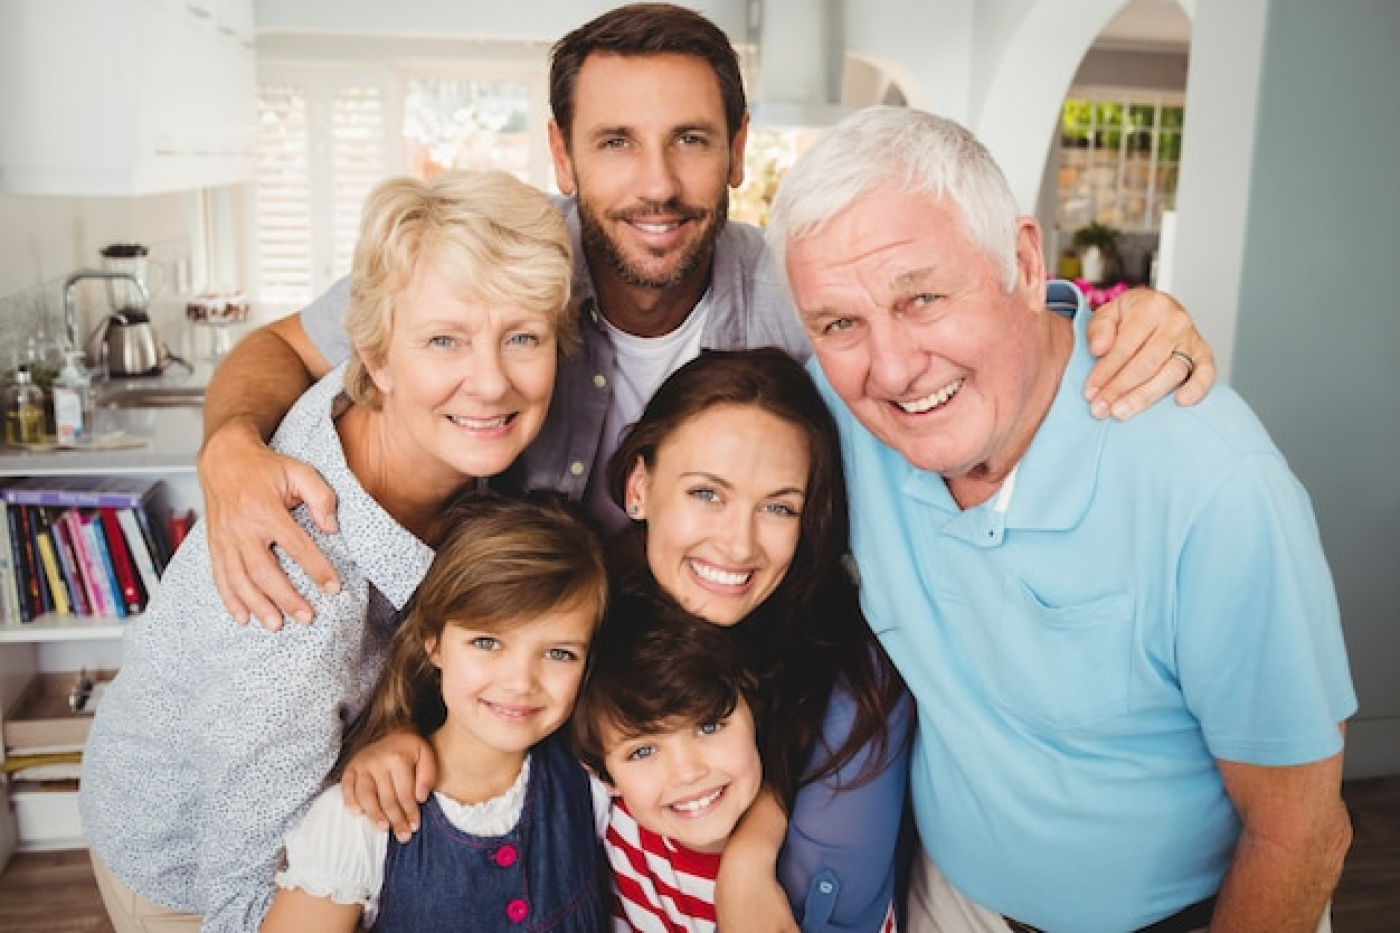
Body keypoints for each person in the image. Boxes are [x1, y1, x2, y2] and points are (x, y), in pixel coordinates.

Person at [194, 2, 1218, 633]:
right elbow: (282, 347)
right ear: (561, 155)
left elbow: (963, 307)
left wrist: (1115, 318)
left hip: (702, 659)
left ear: (736, 150)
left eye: (689, 139)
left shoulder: (784, 287)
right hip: (490, 652)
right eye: (615, 143)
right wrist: (230, 446)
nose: (655, 184)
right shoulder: (496, 262)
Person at [764, 105, 1356, 933]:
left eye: (924, 297)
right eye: (839, 323)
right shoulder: (836, 414)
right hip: (951, 899)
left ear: (1022, 257)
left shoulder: (1212, 484)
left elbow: (1302, 831)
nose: (893, 367)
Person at [79, 169, 577, 933]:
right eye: (444, 339)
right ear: (374, 354)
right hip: (191, 872)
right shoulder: (296, 593)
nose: (490, 382)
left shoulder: (412, 436)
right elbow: (247, 896)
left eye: (523, 338)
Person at [344, 348, 913, 933]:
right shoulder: (589, 611)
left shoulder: (837, 663)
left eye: (778, 507)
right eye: (706, 494)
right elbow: (488, 666)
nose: (740, 545)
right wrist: (399, 735)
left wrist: (749, 856)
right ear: (639, 485)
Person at [262, 491, 611, 933]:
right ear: (434, 643)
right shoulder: (358, 820)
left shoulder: (590, 784)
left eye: (559, 653)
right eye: (487, 643)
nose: (521, 681)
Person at [571, 584, 768, 932]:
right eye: (642, 751)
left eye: (708, 727)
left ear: (755, 712)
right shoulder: (617, 828)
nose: (688, 773)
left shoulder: (815, 839)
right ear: (604, 777)